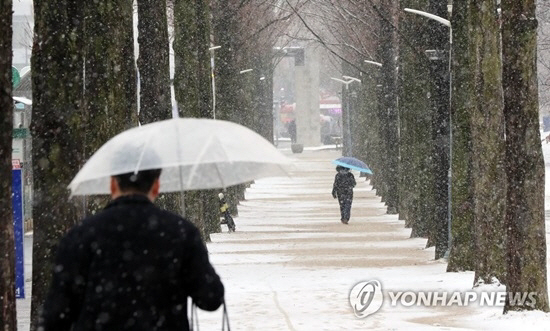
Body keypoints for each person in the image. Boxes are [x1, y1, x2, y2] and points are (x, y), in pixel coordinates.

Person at [39, 169, 224, 331]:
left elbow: (56, 314)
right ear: (156, 186)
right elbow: (211, 298)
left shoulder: (82, 235)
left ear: (112, 184)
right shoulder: (180, 232)